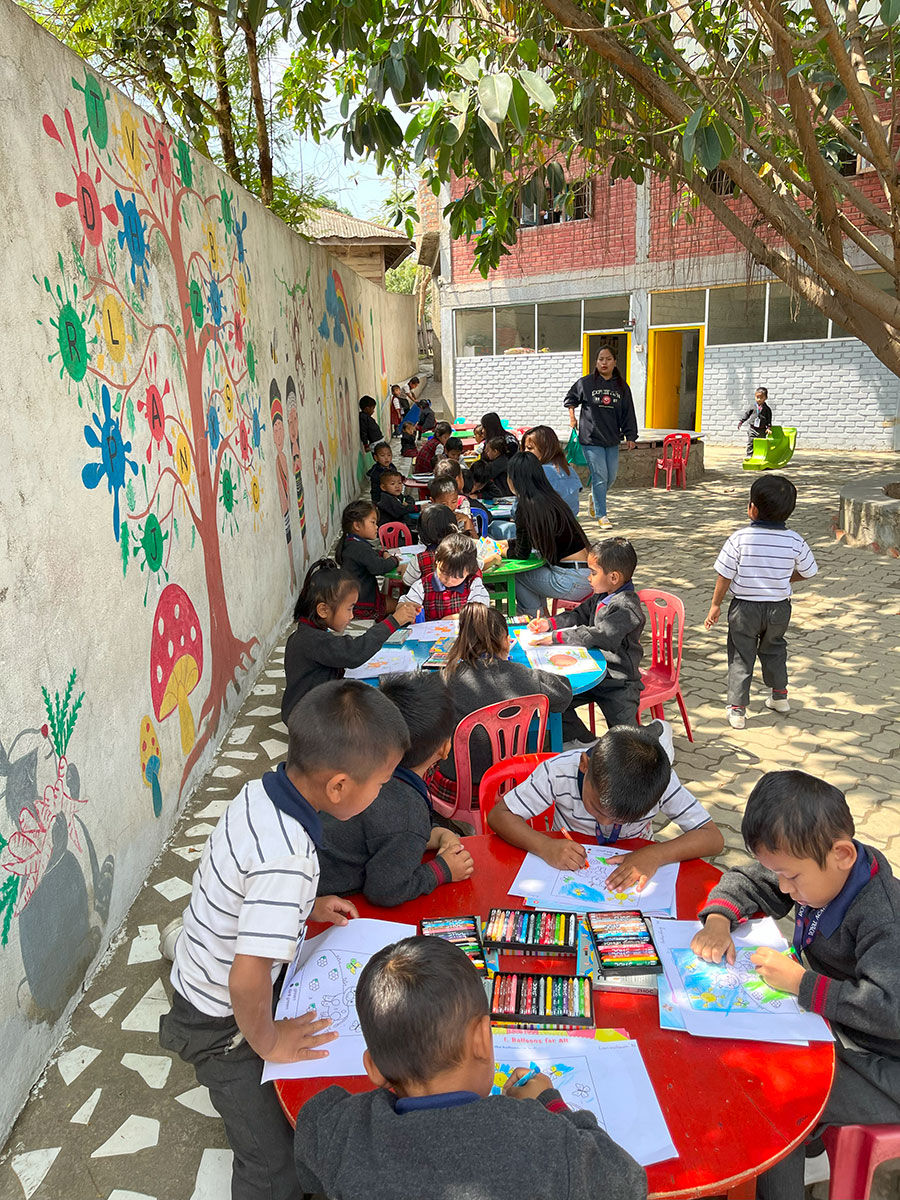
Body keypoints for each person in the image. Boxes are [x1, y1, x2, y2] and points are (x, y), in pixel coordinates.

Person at [159, 681, 410, 1200]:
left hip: (208, 969)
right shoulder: (288, 857)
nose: (381, 795)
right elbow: (246, 978)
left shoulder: (263, 792)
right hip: (220, 1026)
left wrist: (306, 906)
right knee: (274, 1163)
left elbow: (252, 884)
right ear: (338, 786)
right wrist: (270, 1042)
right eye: (381, 784)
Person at [293, 936, 647, 1200]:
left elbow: (312, 1131)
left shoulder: (340, 1128)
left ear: (372, 1067)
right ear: (482, 1038)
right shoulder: (538, 1136)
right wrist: (550, 1105)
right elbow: (627, 1182)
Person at [690, 770, 900, 1200]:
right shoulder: (820, 866)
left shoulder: (884, 917)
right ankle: (810, 1143)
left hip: (888, 1062)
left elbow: (889, 1009)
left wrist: (803, 984)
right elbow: (750, 880)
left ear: (843, 854)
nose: (784, 888)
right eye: (780, 875)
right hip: (844, 1033)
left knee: (781, 1100)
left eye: (792, 878)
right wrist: (718, 920)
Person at [488, 722, 723, 888]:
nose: (605, 822)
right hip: (567, 864)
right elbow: (499, 815)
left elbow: (712, 838)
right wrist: (544, 846)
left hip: (637, 865)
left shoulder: (660, 782)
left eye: (622, 820)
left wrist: (656, 854)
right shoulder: (558, 772)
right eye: (598, 809)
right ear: (584, 765)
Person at [317, 672, 475, 906]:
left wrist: (438, 833)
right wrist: (442, 870)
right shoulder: (406, 809)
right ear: (444, 747)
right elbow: (385, 891)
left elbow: (381, 832)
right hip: (326, 899)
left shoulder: (352, 761)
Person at [429, 603, 573, 812]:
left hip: (459, 786)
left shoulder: (444, 679)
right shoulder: (522, 676)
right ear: (505, 641)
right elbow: (564, 693)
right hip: (515, 784)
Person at [704, 473, 818, 730]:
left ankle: (737, 709)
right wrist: (784, 578)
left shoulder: (739, 539)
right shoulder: (795, 540)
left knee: (741, 655)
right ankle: (780, 697)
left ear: (752, 509)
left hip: (745, 609)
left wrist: (715, 604)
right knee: (775, 649)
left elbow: (724, 575)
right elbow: (809, 571)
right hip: (779, 609)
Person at [529, 536, 644, 740]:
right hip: (592, 671)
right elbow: (579, 614)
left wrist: (556, 637)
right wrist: (550, 624)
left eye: (593, 572)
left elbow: (600, 635)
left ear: (613, 577)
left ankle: (656, 734)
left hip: (618, 682)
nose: (588, 578)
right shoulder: (603, 595)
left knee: (628, 739)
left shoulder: (626, 608)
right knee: (554, 701)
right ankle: (585, 741)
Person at [282, 559, 419, 721]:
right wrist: (393, 621)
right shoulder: (312, 641)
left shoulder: (305, 634)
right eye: (349, 608)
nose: (352, 615)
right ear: (323, 610)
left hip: (306, 709)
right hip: (308, 719)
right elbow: (354, 652)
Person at [501, 450, 592, 616]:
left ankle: (533, 617)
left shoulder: (526, 506)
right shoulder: (552, 499)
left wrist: (500, 552)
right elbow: (528, 541)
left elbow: (521, 553)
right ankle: (542, 616)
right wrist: (505, 544)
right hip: (587, 574)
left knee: (517, 575)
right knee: (532, 574)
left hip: (570, 579)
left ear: (513, 480)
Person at [564, 346, 637, 529]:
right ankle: (602, 515)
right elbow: (570, 399)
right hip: (590, 437)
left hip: (611, 438)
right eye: (600, 359)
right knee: (600, 476)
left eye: (608, 359)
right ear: (596, 362)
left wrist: (630, 435)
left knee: (610, 477)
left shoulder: (622, 386)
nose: (604, 363)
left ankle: (596, 496)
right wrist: (572, 418)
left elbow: (628, 413)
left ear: (615, 362)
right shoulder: (586, 383)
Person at [336, 499, 400, 619]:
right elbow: (379, 567)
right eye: (373, 522)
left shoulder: (351, 542)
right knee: (402, 606)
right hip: (363, 604)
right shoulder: (359, 548)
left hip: (357, 599)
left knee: (395, 602)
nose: (376, 527)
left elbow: (369, 554)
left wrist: (382, 553)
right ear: (357, 525)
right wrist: (394, 560)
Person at [404, 532, 490, 618]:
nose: (449, 580)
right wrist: (410, 609)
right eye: (444, 573)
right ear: (437, 562)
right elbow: (404, 606)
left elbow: (480, 612)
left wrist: (457, 617)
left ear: (469, 572)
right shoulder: (422, 585)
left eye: (457, 577)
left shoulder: (473, 584)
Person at [522, 424, 581, 516]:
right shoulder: (570, 470)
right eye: (524, 448)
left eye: (530, 448)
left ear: (545, 448)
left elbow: (521, 509)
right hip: (570, 520)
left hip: (546, 521)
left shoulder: (538, 472)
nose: (525, 451)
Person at [377, 467, 418, 532]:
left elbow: (409, 498)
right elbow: (400, 510)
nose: (397, 486)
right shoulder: (386, 499)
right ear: (383, 487)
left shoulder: (397, 496)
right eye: (393, 484)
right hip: (390, 532)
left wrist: (408, 504)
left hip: (398, 528)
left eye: (399, 483)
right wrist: (418, 508)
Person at [737, 386, 773, 456]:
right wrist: (741, 421)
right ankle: (749, 455)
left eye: (761, 397)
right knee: (751, 442)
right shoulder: (752, 407)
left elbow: (769, 419)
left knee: (761, 443)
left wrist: (769, 428)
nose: (759, 399)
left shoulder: (767, 409)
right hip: (752, 429)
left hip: (762, 430)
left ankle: (760, 454)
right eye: (757, 397)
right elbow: (747, 414)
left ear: (766, 398)